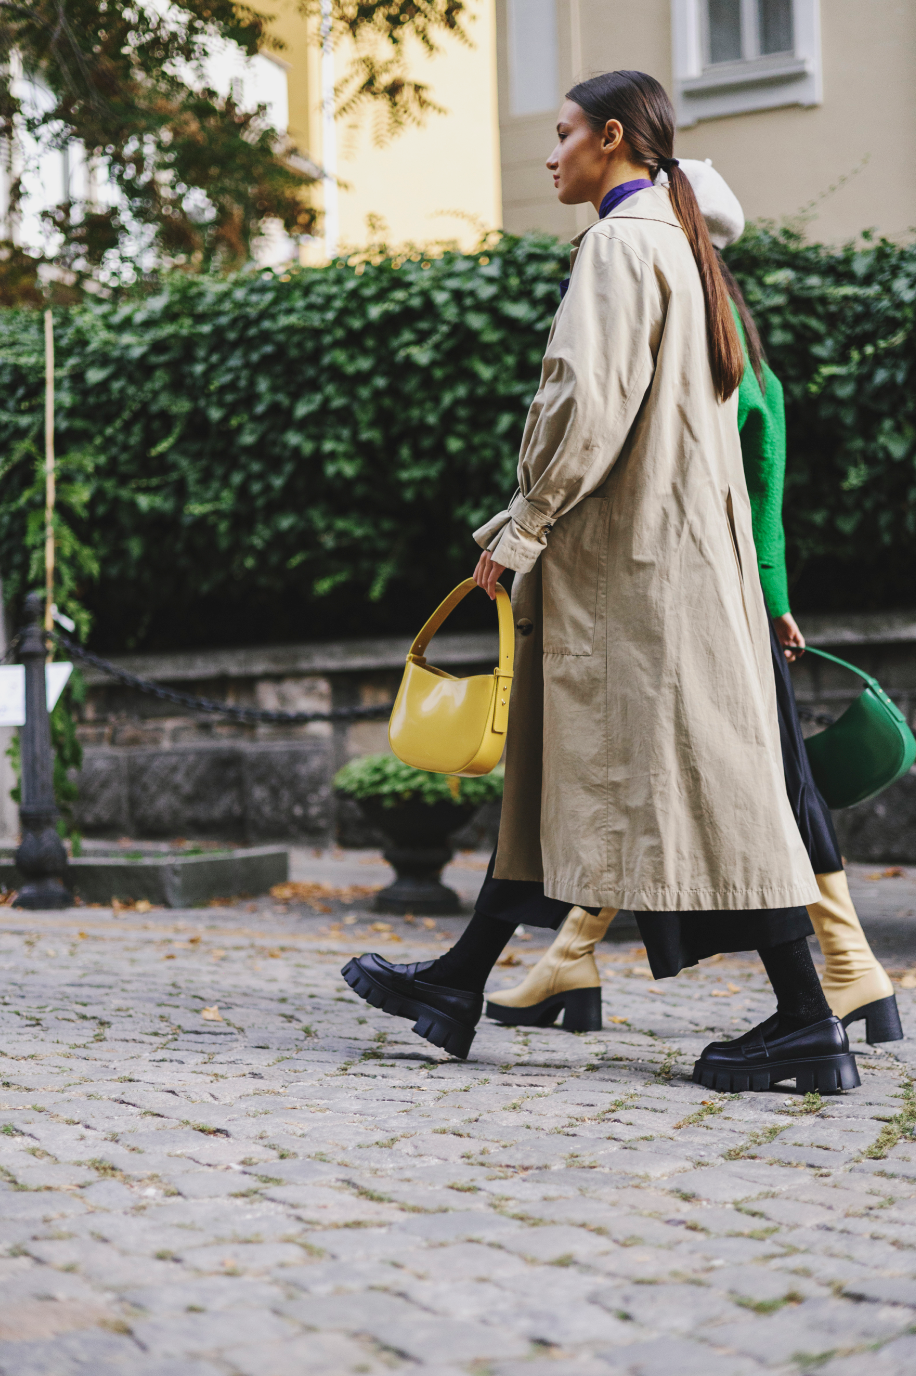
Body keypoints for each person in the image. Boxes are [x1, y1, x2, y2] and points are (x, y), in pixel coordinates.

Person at [343, 70, 859, 1095]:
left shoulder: (624, 247)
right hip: (658, 571)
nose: (551, 154)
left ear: (612, 138)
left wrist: (520, 525)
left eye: (565, 132)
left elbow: (585, 403)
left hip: (635, 578)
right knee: (568, 777)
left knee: (702, 793)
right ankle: (456, 982)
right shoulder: (676, 248)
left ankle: (808, 1018)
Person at [488, 159, 902, 1049]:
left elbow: (744, 492)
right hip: (731, 594)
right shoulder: (734, 344)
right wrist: (776, 599)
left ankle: (834, 979)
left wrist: (769, 601)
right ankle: (575, 957)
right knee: (698, 777)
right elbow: (764, 493)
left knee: (741, 785)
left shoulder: (675, 311)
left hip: (692, 599)